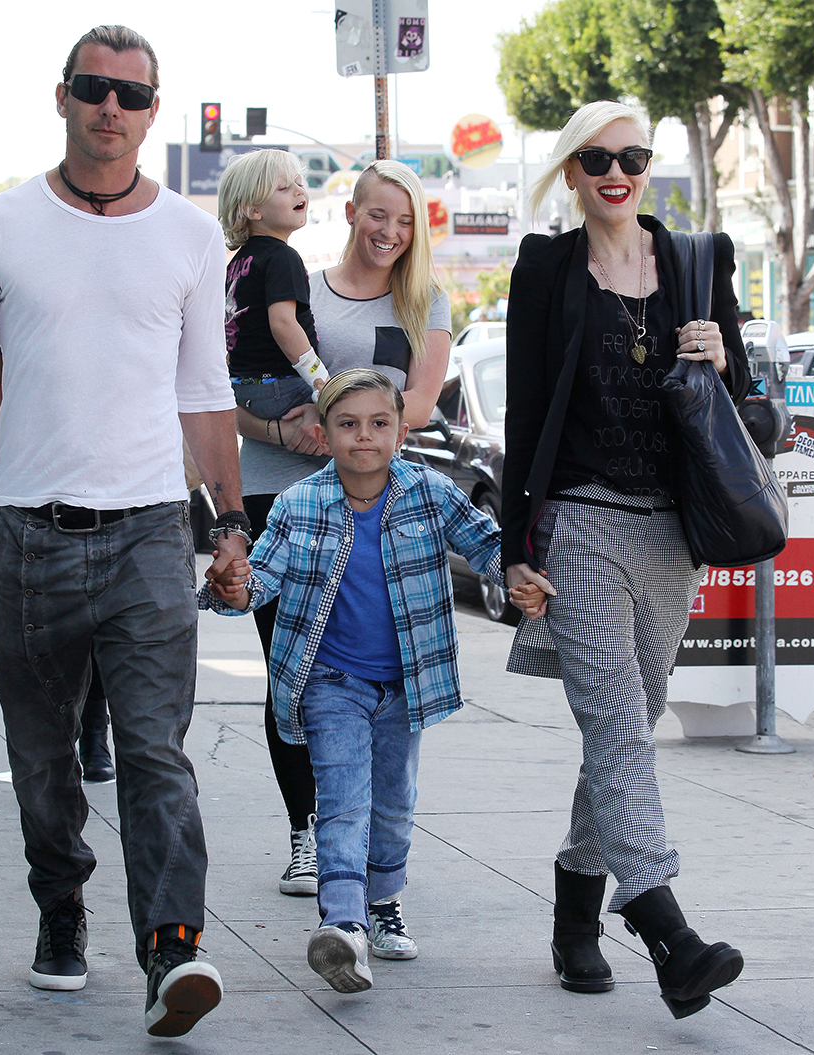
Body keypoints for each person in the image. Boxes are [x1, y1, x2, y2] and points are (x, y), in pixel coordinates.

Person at [0, 25, 246, 1038]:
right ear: (62, 96)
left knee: (154, 753)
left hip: (144, 535)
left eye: (130, 94)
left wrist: (227, 524)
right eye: (93, 88)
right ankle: (61, 901)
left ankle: (172, 945)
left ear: (152, 111)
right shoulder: (0, 225)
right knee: (44, 767)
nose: (110, 107)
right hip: (32, 539)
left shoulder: (187, 233)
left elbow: (203, 390)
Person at [501, 100, 749, 1019]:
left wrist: (723, 359)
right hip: (581, 525)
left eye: (632, 156)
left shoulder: (697, 260)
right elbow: (527, 415)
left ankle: (575, 911)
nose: (616, 171)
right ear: (571, 171)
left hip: (671, 534)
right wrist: (514, 548)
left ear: (648, 166)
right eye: (597, 158)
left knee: (628, 726)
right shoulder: (547, 267)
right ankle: (666, 929)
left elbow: (750, 408)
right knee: (613, 726)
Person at [203, 369, 506, 992]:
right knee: (341, 802)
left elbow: (488, 547)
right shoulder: (299, 503)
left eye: (378, 424)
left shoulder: (432, 493)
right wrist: (232, 590)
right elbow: (263, 579)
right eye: (347, 425)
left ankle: (382, 902)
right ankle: (341, 926)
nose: (363, 437)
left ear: (400, 431)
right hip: (329, 683)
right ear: (322, 432)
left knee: (393, 806)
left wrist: (525, 576)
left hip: (405, 685)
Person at [233, 159, 452, 899]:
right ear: (352, 212)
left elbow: (419, 402)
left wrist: (349, 423)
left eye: (405, 219)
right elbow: (223, 391)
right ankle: (307, 833)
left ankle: (357, 840)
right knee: (289, 673)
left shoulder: (425, 302)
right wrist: (280, 426)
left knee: (370, 678)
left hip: (376, 509)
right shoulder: (296, 290)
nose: (390, 231)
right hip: (282, 494)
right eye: (377, 214)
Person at [0, 335, 115, 783]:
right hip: (31, 497)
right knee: (44, 633)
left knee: (103, 628)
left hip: (109, 485)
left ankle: (95, 734)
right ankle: (59, 745)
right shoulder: (5, 314)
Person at [217, 149, 329, 422]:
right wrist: (321, 380)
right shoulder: (282, 257)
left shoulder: (238, 263)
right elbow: (283, 323)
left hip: (244, 390)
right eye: (283, 187)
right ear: (253, 210)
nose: (298, 192)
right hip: (282, 386)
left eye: (300, 183)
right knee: (351, 417)